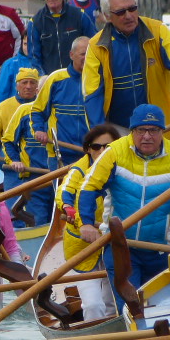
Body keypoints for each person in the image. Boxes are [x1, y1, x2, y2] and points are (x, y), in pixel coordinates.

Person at [77, 104, 170, 313]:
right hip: (120, 247)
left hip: (163, 250)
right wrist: (87, 224)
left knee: (162, 311)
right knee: (132, 309)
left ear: (162, 132)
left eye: (153, 130)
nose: (147, 136)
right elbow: (89, 188)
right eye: (140, 130)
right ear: (132, 131)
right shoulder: (114, 152)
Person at [83, 0, 170, 131]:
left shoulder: (159, 31)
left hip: (163, 126)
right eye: (120, 12)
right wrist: (100, 133)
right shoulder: (95, 46)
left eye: (132, 9)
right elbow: (92, 94)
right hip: (119, 131)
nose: (129, 15)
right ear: (107, 16)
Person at [56, 124, 120, 321]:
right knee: (93, 305)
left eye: (107, 147)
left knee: (114, 305)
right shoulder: (78, 171)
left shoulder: (122, 166)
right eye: (96, 147)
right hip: (82, 247)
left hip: (112, 242)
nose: (101, 151)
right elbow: (64, 192)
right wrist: (69, 209)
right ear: (87, 149)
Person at [2, 73, 54, 226]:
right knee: (39, 221)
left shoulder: (59, 112)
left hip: (59, 177)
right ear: (38, 92)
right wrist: (15, 160)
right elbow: (8, 141)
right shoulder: (24, 111)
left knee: (58, 222)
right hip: (34, 179)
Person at [31, 36, 90, 167]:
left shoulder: (99, 80)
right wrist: (39, 130)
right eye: (83, 54)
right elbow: (37, 110)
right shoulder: (56, 79)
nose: (87, 57)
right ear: (71, 54)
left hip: (91, 154)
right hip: (60, 155)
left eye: (90, 54)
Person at [0, 68, 39, 210]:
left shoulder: (43, 106)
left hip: (37, 166)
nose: (28, 86)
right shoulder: (4, 107)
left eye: (32, 82)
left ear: (37, 86)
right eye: (24, 82)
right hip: (12, 165)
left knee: (38, 209)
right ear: (17, 86)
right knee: (13, 207)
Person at [29, 0, 96, 75]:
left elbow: (94, 44)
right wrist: (43, 78)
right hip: (50, 81)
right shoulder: (35, 22)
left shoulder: (79, 16)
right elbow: (34, 58)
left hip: (79, 78)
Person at [0, 29, 35, 106]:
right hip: (14, 111)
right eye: (25, 44)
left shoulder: (44, 64)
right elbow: (1, 93)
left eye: (31, 44)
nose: (28, 48)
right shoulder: (10, 64)